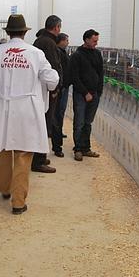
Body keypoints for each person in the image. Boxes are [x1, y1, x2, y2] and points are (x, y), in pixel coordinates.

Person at [0, 14, 59, 214]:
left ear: (7, 32)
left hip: (1, 108)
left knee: (3, 148)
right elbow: (52, 78)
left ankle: (4, 189)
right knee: (23, 152)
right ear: (24, 32)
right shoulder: (35, 53)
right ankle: (18, 202)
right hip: (26, 109)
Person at [31, 15, 63, 173]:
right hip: (47, 89)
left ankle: (39, 156)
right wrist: (55, 88)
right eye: (59, 27)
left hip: (42, 88)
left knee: (42, 123)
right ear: (56, 27)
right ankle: (38, 160)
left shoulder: (41, 40)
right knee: (43, 124)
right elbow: (52, 68)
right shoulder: (48, 43)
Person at [69, 29, 103, 161]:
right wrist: (85, 92)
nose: (96, 43)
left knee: (88, 122)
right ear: (87, 40)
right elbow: (74, 77)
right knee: (79, 122)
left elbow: (101, 73)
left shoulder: (97, 54)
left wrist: (98, 92)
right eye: (94, 40)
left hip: (94, 94)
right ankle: (78, 148)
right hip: (81, 94)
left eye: (97, 40)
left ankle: (86, 148)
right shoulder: (77, 56)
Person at [51, 33, 70, 157]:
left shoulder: (62, 53)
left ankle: (58, 135)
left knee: (59, 113)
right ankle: (57, 144)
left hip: (63, 87)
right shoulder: (58, 53)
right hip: (60, 88)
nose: (68, 42)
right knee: (58, 114)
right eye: (66, 40)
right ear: (61, 41)